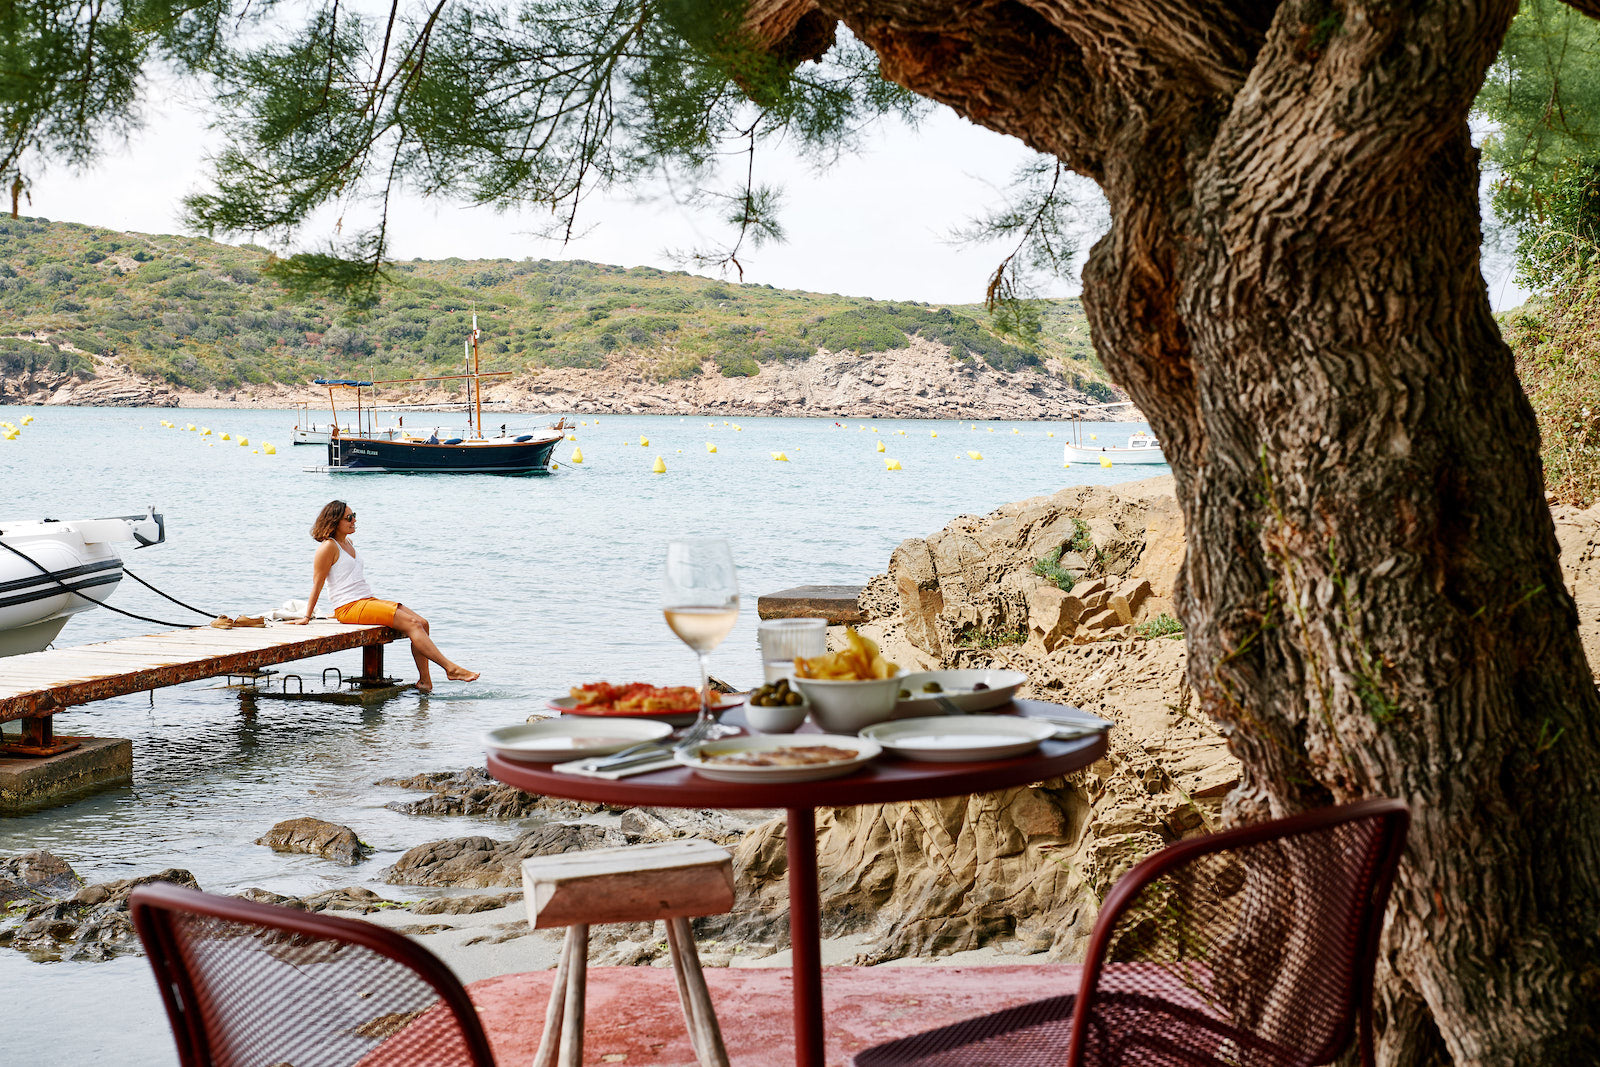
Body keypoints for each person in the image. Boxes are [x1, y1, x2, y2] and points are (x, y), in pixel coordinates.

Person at [287, 500, 479, 692]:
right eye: (349, 518)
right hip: (349, 606)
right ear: (334, 521)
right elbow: (318, 583)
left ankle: (425, 681)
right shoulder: (328, 547)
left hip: (366, 601)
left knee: (423, 623)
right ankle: (450, 669)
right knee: (413, 624)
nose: (354, 521)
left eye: (354, 516)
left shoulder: (348, 543)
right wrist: (306, 616)